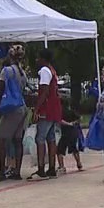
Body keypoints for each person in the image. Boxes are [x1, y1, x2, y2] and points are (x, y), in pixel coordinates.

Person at [0, 45, 28, 183]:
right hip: (22, 106)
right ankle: (17, 171)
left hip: (12, 108)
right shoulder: (22, 72)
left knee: (1, 139)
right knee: (17, 140)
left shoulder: (6, 71)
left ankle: (1, 171)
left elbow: (0, 90)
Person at [31, 48, 63, 180]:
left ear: (43, 59)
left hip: (46, 108)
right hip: (54, 107)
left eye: (38, 57)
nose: (37, 60)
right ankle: (51, 168)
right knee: (51, 138)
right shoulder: (52, 70)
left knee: (40, 138)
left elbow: (44, 91)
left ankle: (41, 169)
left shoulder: (44, 71)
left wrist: (36, 109)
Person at [56, 107, 84, 174]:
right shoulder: (71, 111)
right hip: (73, 131)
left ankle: (61, 166)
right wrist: (74, 123)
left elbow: (59, 120)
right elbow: (80, 118)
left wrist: (68, 124)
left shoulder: (60, 111)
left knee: (60, 150)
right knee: (74, 148)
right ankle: (79, 163)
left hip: (65, 133)